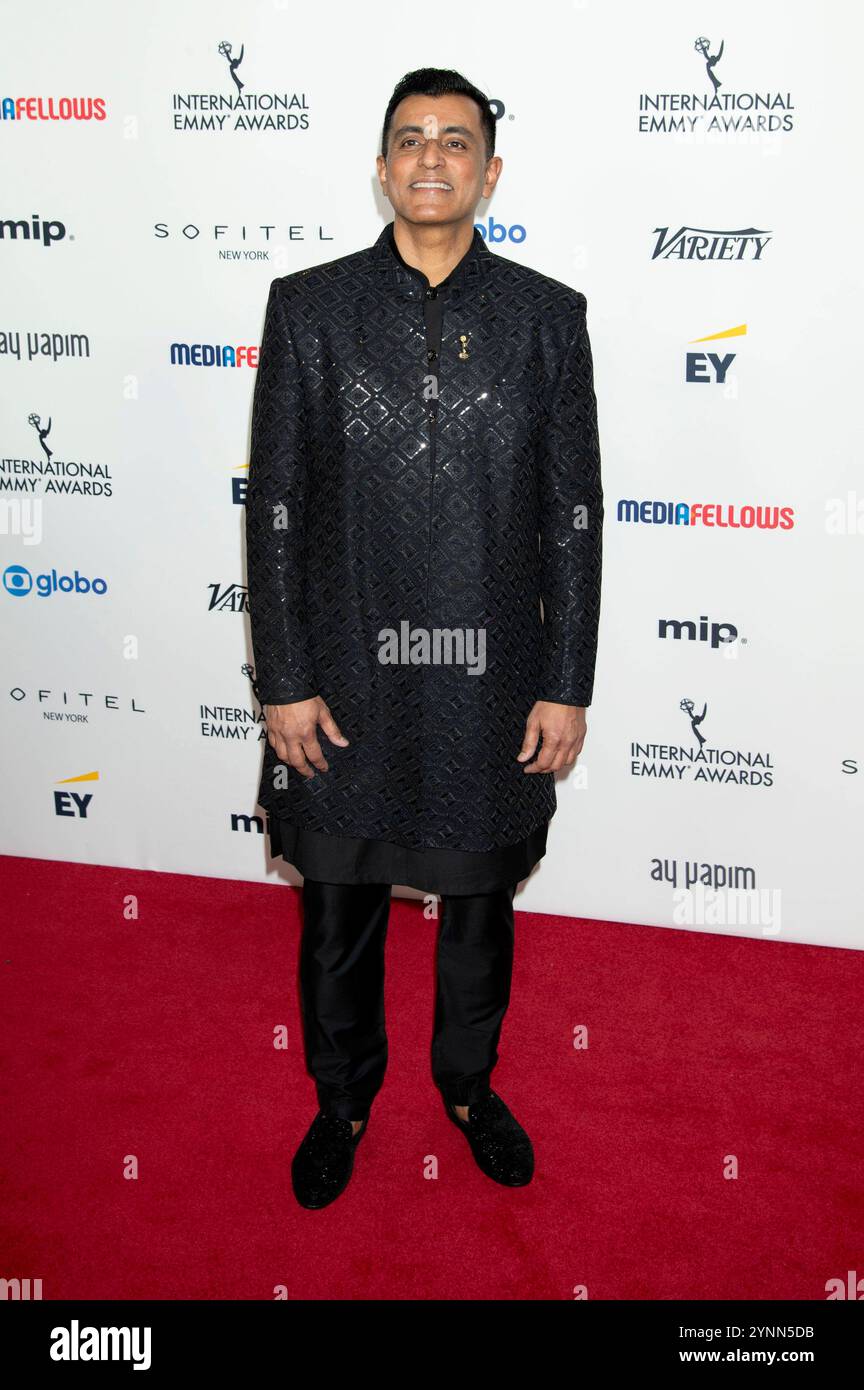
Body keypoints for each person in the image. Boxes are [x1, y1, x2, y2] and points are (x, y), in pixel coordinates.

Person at [245, 67, 603, 1209]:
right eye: (411, 139)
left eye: (458, 140)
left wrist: (565, 680)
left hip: (493, 674)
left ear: (491, 171)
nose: (433, 158)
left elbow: (573, 516)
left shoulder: (548, 318)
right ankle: (342, 1097)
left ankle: (467, 1085)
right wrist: (286, 679)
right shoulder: (310, 308)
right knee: (339, 902)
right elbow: (278, 508)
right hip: (346, 668)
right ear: (383, 167)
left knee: (479, 901)